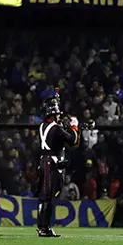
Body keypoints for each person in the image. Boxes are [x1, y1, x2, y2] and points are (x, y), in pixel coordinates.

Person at [36, 95, 78, 237]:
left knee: (44, 195)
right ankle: (45, 228)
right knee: (49, 195)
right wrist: (74, 127)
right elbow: (72, 140)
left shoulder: (42, 126)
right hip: (51, 163)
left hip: (42, 161)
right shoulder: (56, 128)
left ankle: (42, 225)